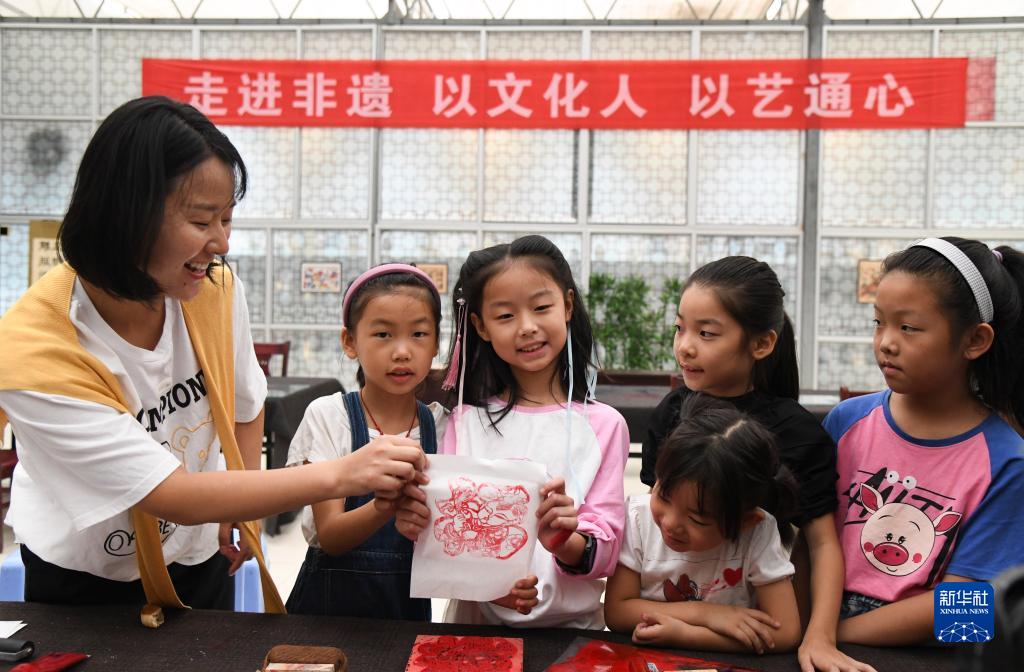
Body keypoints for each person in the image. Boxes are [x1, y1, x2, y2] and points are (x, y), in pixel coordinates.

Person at [0, 96, 425, 613]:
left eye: (226, 219)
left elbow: (245, 405)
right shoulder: (36, 352)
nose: (221, 243)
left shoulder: (211, 290)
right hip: (87, 574)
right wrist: (344, 473)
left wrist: (241, 507)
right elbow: (170, 494)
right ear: (127, 214)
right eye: (203, 221)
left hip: (197, 551)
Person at [641, 256, 869, 672]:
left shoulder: (797, 433)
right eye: (680, 328)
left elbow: (822, 544)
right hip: (669, 615)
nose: (684, 346)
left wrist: (820, 637)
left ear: (761, 344)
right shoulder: (669, 414)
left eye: (706, 333)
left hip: (761, 628)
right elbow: (652, 526)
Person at [396, 235, 630, 629]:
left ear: (567, 305)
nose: (527, 327)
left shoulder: (605, 426)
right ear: (480, 326)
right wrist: (414, 525)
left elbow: (606, 554)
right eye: (505, 316)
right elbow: (442, 533)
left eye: (541, 307)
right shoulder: (464, 422)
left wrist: (565, 541)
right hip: (475, 630)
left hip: (571, 635)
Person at [825, 237, 1024, 645]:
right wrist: (811, 634)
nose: (886, 342)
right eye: (878, 322)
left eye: (908, 327)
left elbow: (972, 611)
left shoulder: (1008, 462)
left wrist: (831, 635)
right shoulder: (845, 422)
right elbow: (810, 544)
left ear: (975, 340)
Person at [285, 263, 446, 620]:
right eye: (383, 334)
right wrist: (384, 507)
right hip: (324, 613)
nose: (402, 351)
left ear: (436, 343)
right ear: (350, 341)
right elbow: (331, 536)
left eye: (419, 334)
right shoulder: (330, 417)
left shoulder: (442, 426)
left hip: (405, 615)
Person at [606, 395, 802, 654]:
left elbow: (786, 632)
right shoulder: (638, 519)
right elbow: (617, 611)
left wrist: (690, 636)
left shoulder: (757, 533)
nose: (671, 523)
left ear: (744, 521)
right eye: (663, 495)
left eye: (697, 518)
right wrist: (705, 613)